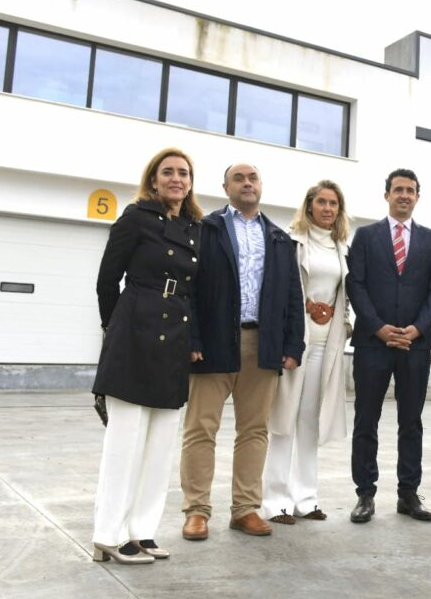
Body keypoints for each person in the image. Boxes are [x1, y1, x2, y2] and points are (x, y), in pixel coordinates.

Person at [180, 163, 305, 541]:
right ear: (225, 186)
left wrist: (292, 344)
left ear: (261, 186)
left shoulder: (280, 238)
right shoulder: (207, 228)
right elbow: (191, 289)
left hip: (261, 344)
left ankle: (245, 509)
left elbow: (291, 296)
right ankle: (197, 511)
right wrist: (193, 339)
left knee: (254, 430)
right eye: (239, 178)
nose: (247, 184)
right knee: (201, 428)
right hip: (215, 343)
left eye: (253, 178)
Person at [91, 147, 203, 564]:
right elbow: (106, 279)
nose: (176, 179)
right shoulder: (135, 217)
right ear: (153, 179)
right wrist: (115, 326)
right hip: (134, 331)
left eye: (184, 173)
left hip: (175, 335)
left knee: (159, 442)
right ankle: (109, 533)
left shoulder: (195, 227)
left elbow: (194, 288)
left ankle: (142, 529)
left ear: (190, 182)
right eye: (168, 172)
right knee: (125, 441)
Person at [346, 168, 431, 523]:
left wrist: (417, 329)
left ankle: (408, 494)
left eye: (411, 190)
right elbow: (355, 285)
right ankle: (365, 495)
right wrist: (377, 328)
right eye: (398, 190)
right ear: (386, 194)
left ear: (418, 196)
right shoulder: (366, 236)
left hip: (415, 346)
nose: (404, 195)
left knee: (411, 422)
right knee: (366, 420)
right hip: (373, 344)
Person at [261, 180, 351, 524]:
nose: (328, 209)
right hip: (296, 342)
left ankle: (306, 498)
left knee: (310, 420)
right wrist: (308, 308)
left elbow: (345, 295)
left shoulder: (342, 247)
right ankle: (276, 500)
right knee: (283, 419)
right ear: (309, 205)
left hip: (327, 345)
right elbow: (281, 290)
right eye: (322, 202)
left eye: (334, 204)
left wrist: (342, 321)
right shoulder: (290, 241)